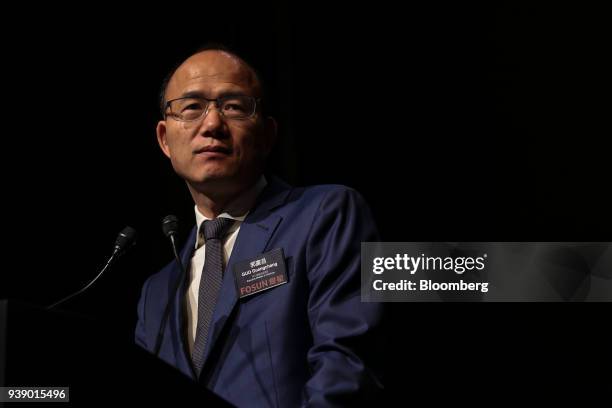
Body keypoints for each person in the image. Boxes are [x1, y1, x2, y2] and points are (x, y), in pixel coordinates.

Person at [135, 44, 384, 407]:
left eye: (234, 106)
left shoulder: (326, 215)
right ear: (164, 139)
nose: (212, 124)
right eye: (191, 108)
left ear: (267, 135)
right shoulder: (155, 295)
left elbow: (348, 364)